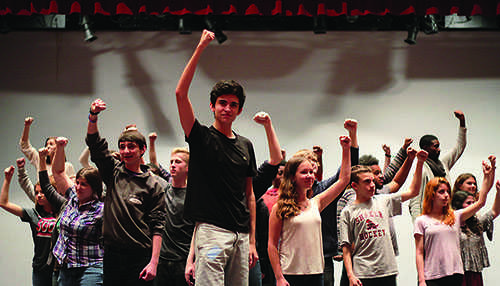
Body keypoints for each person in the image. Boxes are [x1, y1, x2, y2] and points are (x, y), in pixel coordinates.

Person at [177, 30, 258, 286]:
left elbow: (250, 195)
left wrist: (252, 240)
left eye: (233, 104)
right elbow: (180, 94)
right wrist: (201, 47)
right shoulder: (200, 137)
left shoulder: (246, 145)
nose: (227, 108)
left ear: (239, 110)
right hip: (213, 237)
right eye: (222, 103)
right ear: (212, 106)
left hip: (241, 238)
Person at [86, 99, 167, 285]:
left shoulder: (154, 185)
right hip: (112, 255)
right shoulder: (112, 172)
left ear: (142, 150)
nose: (126, 151)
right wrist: (93, 116)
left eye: (131, 147)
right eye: (122, 147)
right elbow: (95, 144)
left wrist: (154, 262)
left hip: (140, 256)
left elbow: (158, 227)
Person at [268, 135, 351, 286]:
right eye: (304, 172)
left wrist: (346, 149)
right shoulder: (279, 208)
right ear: (293, 177)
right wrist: (279, 277)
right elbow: (272, 245)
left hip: (316, 273)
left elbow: (344, 179)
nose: (310, 176)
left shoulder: (316, 202)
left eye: (311, 172)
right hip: (290, 274)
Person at [339, 149, 428, 286]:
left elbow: (413, 191)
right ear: (355, 186)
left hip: (387, 271)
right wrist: (350, 275)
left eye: (372, 181)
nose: (372, 185)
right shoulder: (348, 211)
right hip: (363, 272)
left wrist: (420, 162)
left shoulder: (383, 201)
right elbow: (346, 248)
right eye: (367, 182)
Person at [414, 157, 495, 286]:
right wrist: (421, 280)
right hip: (432, 276)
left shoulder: (456, 216)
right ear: (432, 195)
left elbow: (481, 202)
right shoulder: (421, 220)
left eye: (447, 191)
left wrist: (487, 176)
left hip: (455, 275)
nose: (446, 195)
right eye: (441, 192)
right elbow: (419, 252)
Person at [39, 140, 105, 286]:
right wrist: (60, 148)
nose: (78, 187)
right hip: (66, 267)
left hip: (90, 267)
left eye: (84, 184)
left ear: (94, 188)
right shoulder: (72, 199)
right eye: (77, 182)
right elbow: (58, 172)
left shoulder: (101, 209)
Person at [0, 162, 56, 286]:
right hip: (39, 268)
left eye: (42, 192)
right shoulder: (33, 214)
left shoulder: (62, 211)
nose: (39, 195)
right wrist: (7, 179)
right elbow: (4, 203)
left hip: (57, 269)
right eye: (36, 193)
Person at [450, 156, 500, 286]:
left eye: (474, 184)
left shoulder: (475, 218)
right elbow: (481, 201)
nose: (473, 186)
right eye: (469, 183)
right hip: (457, 269)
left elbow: (486, 194)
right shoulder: (451, 214)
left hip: (473, 268)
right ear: (459, 186)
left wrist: (491, 172)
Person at [409, 110, 467, 221]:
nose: (439, 149)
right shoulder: (422, 170)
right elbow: (415, 201)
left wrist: (462, 122)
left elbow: (459, 147)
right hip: (430, 219)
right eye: (435, 146)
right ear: (425, 148)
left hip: (446, 215)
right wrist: (418, 227)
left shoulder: (443, 164)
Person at [155, 148, 193, 286]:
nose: (172, 165)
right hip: (162, 261)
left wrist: (192, 260)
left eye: (178, 162)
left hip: (183, 261)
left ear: (188, 168)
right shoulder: (163, 191)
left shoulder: (193, 196)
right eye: (171, 162)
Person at [19, 117, 75, 199]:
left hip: (61, 202)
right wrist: (27, 126)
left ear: (58, 147)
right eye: (46, 144)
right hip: (43, 200)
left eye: (51, 144)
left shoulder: (67, 166)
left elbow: (72, 188)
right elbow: (25, 146)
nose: (48, 146)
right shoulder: (40, 160)